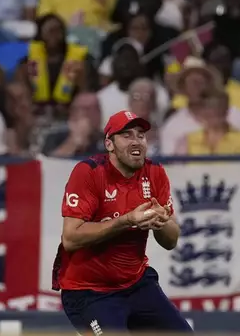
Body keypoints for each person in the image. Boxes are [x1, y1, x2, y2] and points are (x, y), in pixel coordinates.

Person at [53, 110, 192, 334]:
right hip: (89, 292)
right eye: (126, 135)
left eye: (140, 135)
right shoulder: (89, 172)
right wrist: (126, 221)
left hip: (136, 283)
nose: (136, 141)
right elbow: (71, 238)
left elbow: (171, 241)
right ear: (109, 144)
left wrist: (161, 222)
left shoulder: (154, 173)